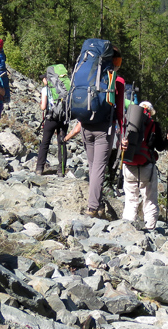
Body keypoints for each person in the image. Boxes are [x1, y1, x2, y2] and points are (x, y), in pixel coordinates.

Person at [68, 46, 124, 218]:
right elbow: (120, 110)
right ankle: (92, 208)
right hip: (104, 129)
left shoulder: (88, 76)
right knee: (99, 168)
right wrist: (122, 133)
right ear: (114, 61)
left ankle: (97, 203)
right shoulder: (117, 80)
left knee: (93, 167)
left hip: (85, 124)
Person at [120, 101, 168, 230]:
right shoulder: (154, 125)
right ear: (150, 112)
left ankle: (128, 229)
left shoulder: (127, 121)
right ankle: (150, 229)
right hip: (146, 166)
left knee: (130, 199)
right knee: (149, 199)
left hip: (129, 165)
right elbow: (160, 147)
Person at [35, 76, 68, 176]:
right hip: (63, 118)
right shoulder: (64, 88)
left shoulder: (46, 89)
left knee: (45, 142)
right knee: (62, 142)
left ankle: (39, 169)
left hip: (51, 118)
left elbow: (43, 107)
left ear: (46, 79)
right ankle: (61, 170)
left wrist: (41, 104)